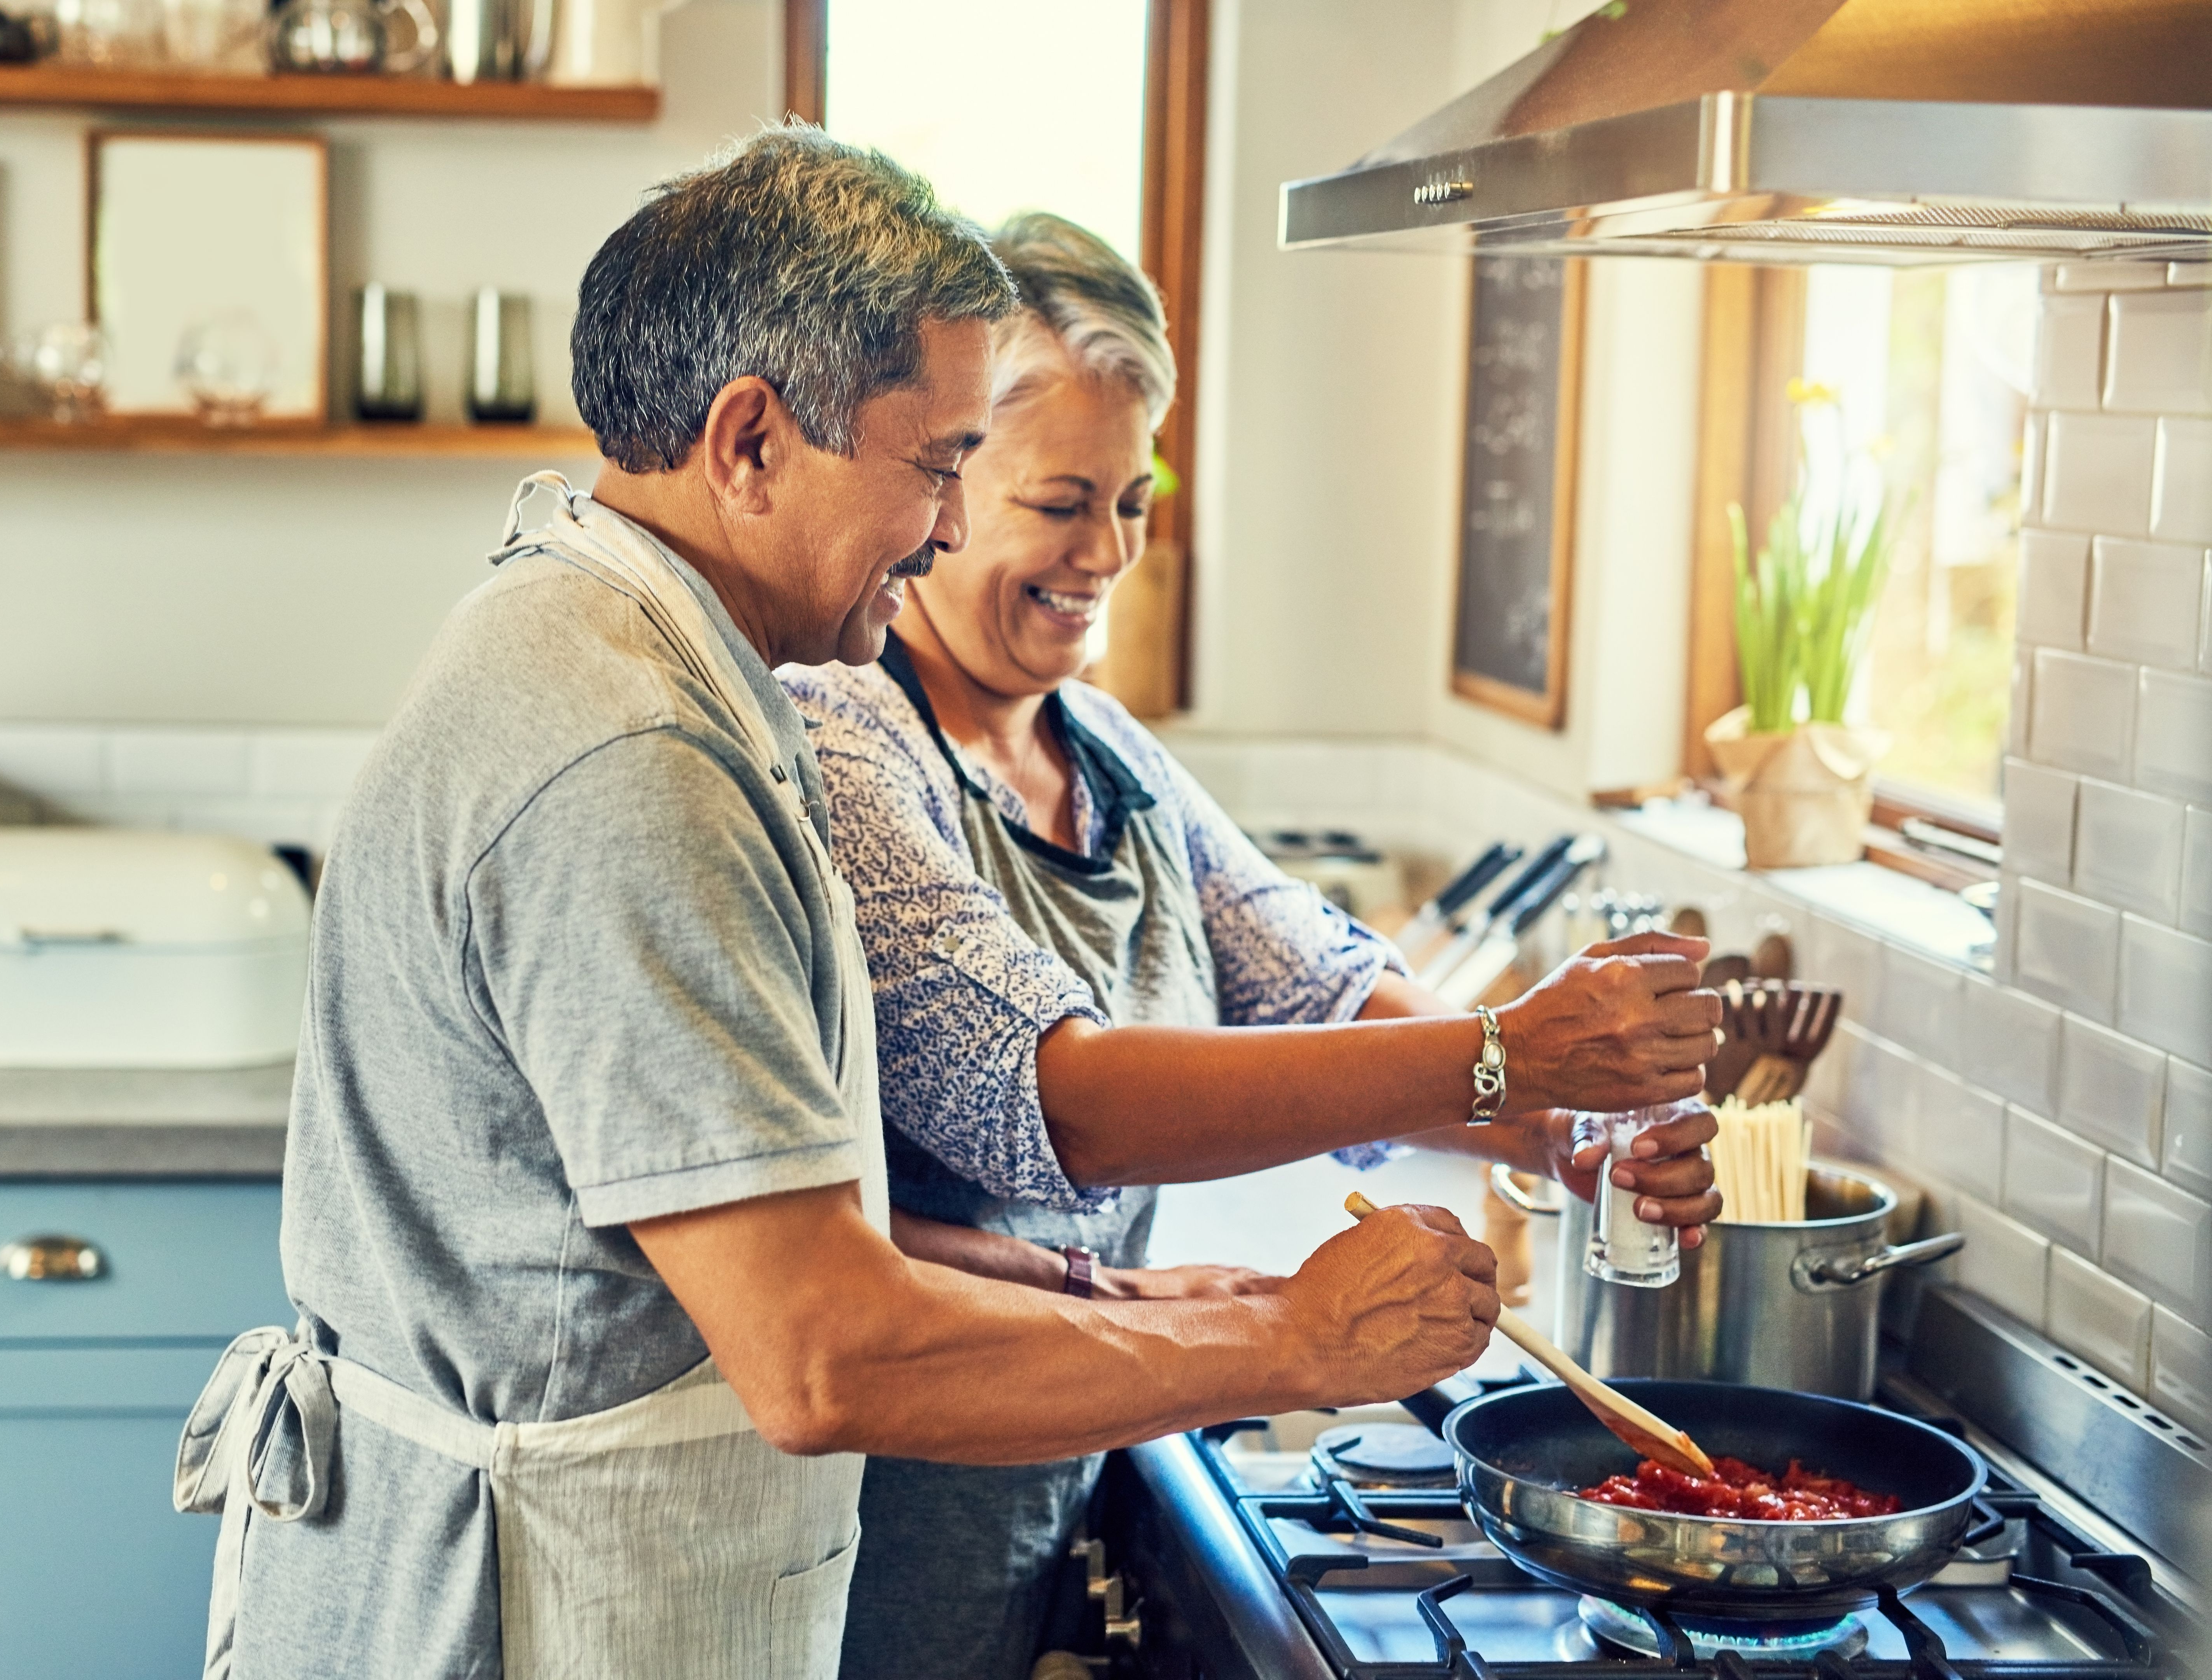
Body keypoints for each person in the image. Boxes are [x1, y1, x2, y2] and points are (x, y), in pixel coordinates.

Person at [167, 129, 1563, 1680]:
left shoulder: (649, 663)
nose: (951, 528)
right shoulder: (634, 760)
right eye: (939, 466)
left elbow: (698, 1219)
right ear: (753, 441)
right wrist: (1292, 1341)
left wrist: (1092, 1288)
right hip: (522, 1613)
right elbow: (820, 1353)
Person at [781, 212, 1723, 1680]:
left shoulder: (1104, 749)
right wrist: (1511, 1053)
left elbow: (1320, 986)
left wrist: (1560, 1133)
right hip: (875, 1509)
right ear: (946, 489)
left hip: (1062, 1462)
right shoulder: (842, 731)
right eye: (1062, 502)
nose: (1109, 553)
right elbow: (1053, 1103)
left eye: (1134, 501)